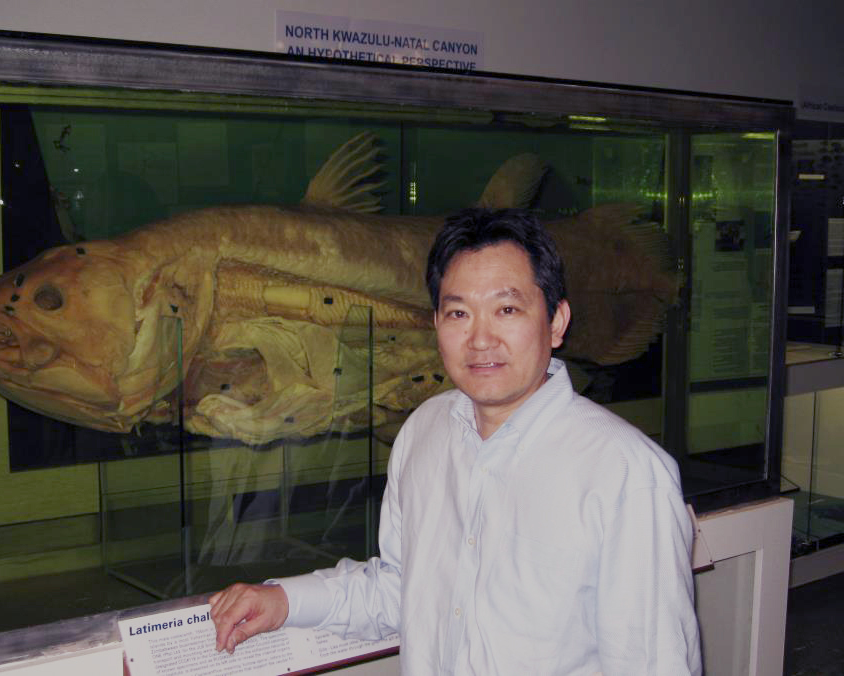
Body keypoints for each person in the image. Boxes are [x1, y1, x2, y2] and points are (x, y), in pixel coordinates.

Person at [210, 208, 702, 674]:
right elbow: (402, 587)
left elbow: (652, 662)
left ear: (556, 321)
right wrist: (284, 601)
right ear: (436, 324)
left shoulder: (626, 472)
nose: (480, 339)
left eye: (506, 309)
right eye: (459, 313)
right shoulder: (425, 431)